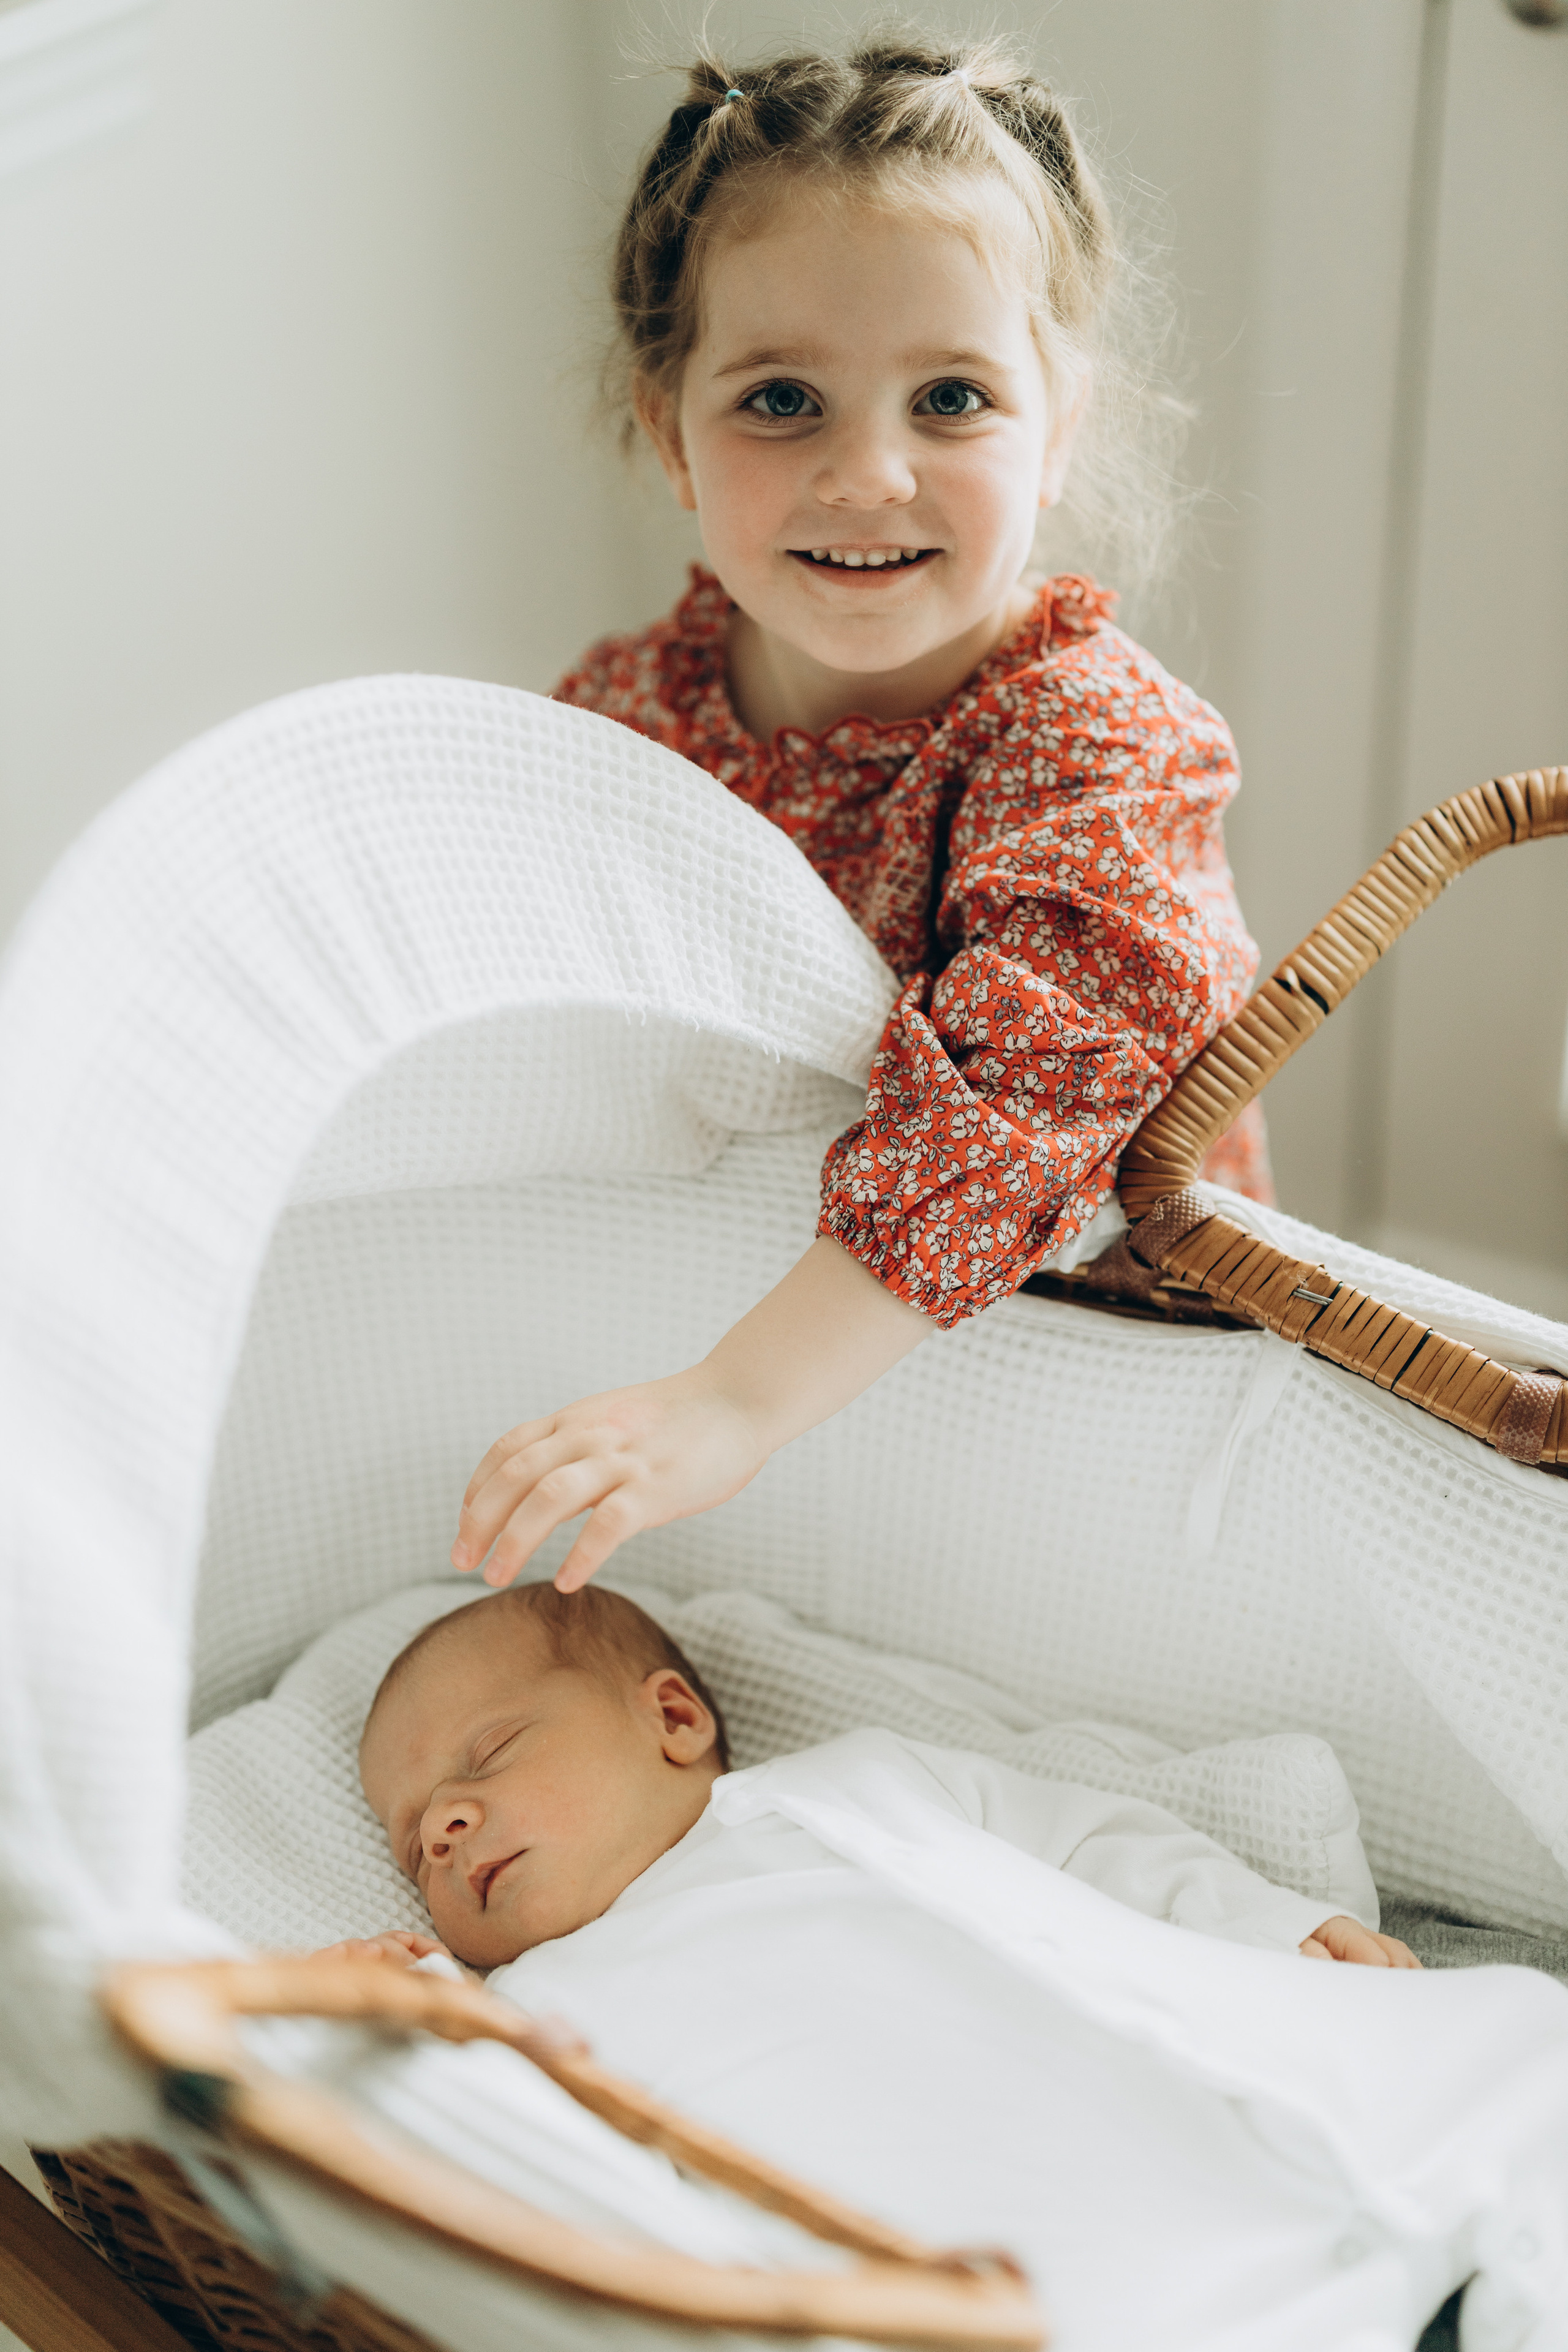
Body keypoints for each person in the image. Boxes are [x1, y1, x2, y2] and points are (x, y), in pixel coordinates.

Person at [450, 38, 1275, 1599]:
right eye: (781, 399)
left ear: (1060, 423)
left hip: (1082, 1351)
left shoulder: (1097, 743)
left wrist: (734, 1399)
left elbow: (1037, 1096)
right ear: (667, 427)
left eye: (951, 397)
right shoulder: (623, 714)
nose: (867, 472)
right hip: (731, 1331)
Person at [347, 1584, 1413, 1977]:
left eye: (486, 1758)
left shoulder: (855, 1784)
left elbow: (1093, 1846)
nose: (443, 1826)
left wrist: (1262, 1925)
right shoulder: (530, 2006)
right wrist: (386, 2010)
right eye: (412, 1846)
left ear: (672, 1719)